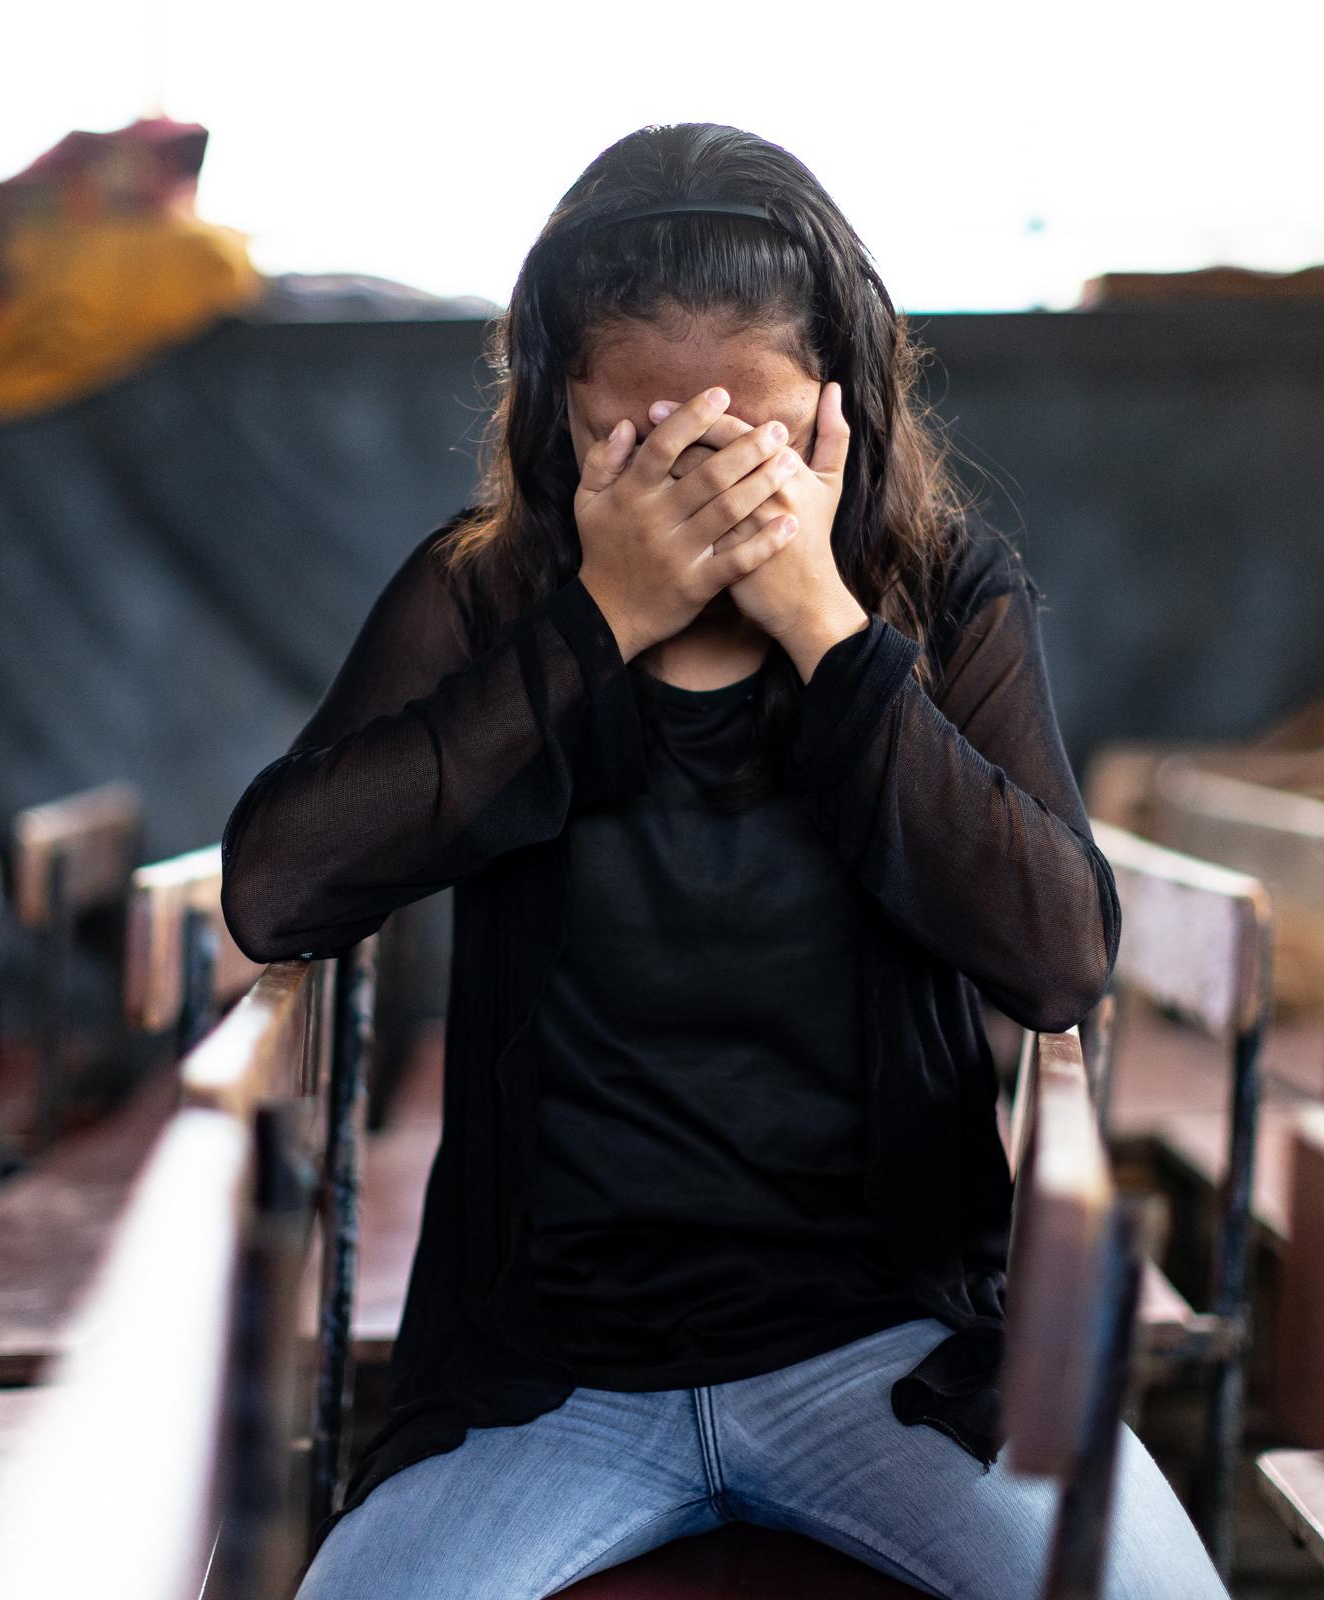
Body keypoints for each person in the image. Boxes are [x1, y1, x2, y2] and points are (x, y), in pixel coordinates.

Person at [223, 122, 1227, 1600]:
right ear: (559, 413)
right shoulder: (491, 592)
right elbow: (277, 889)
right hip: (546, 1380)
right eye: (636, 436)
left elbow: (1060, 954)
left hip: (890, 1357)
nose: (693, 470)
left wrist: (828, 628)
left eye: (742, 435)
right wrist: (597, 625)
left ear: (834, 409)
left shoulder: (939, 596)